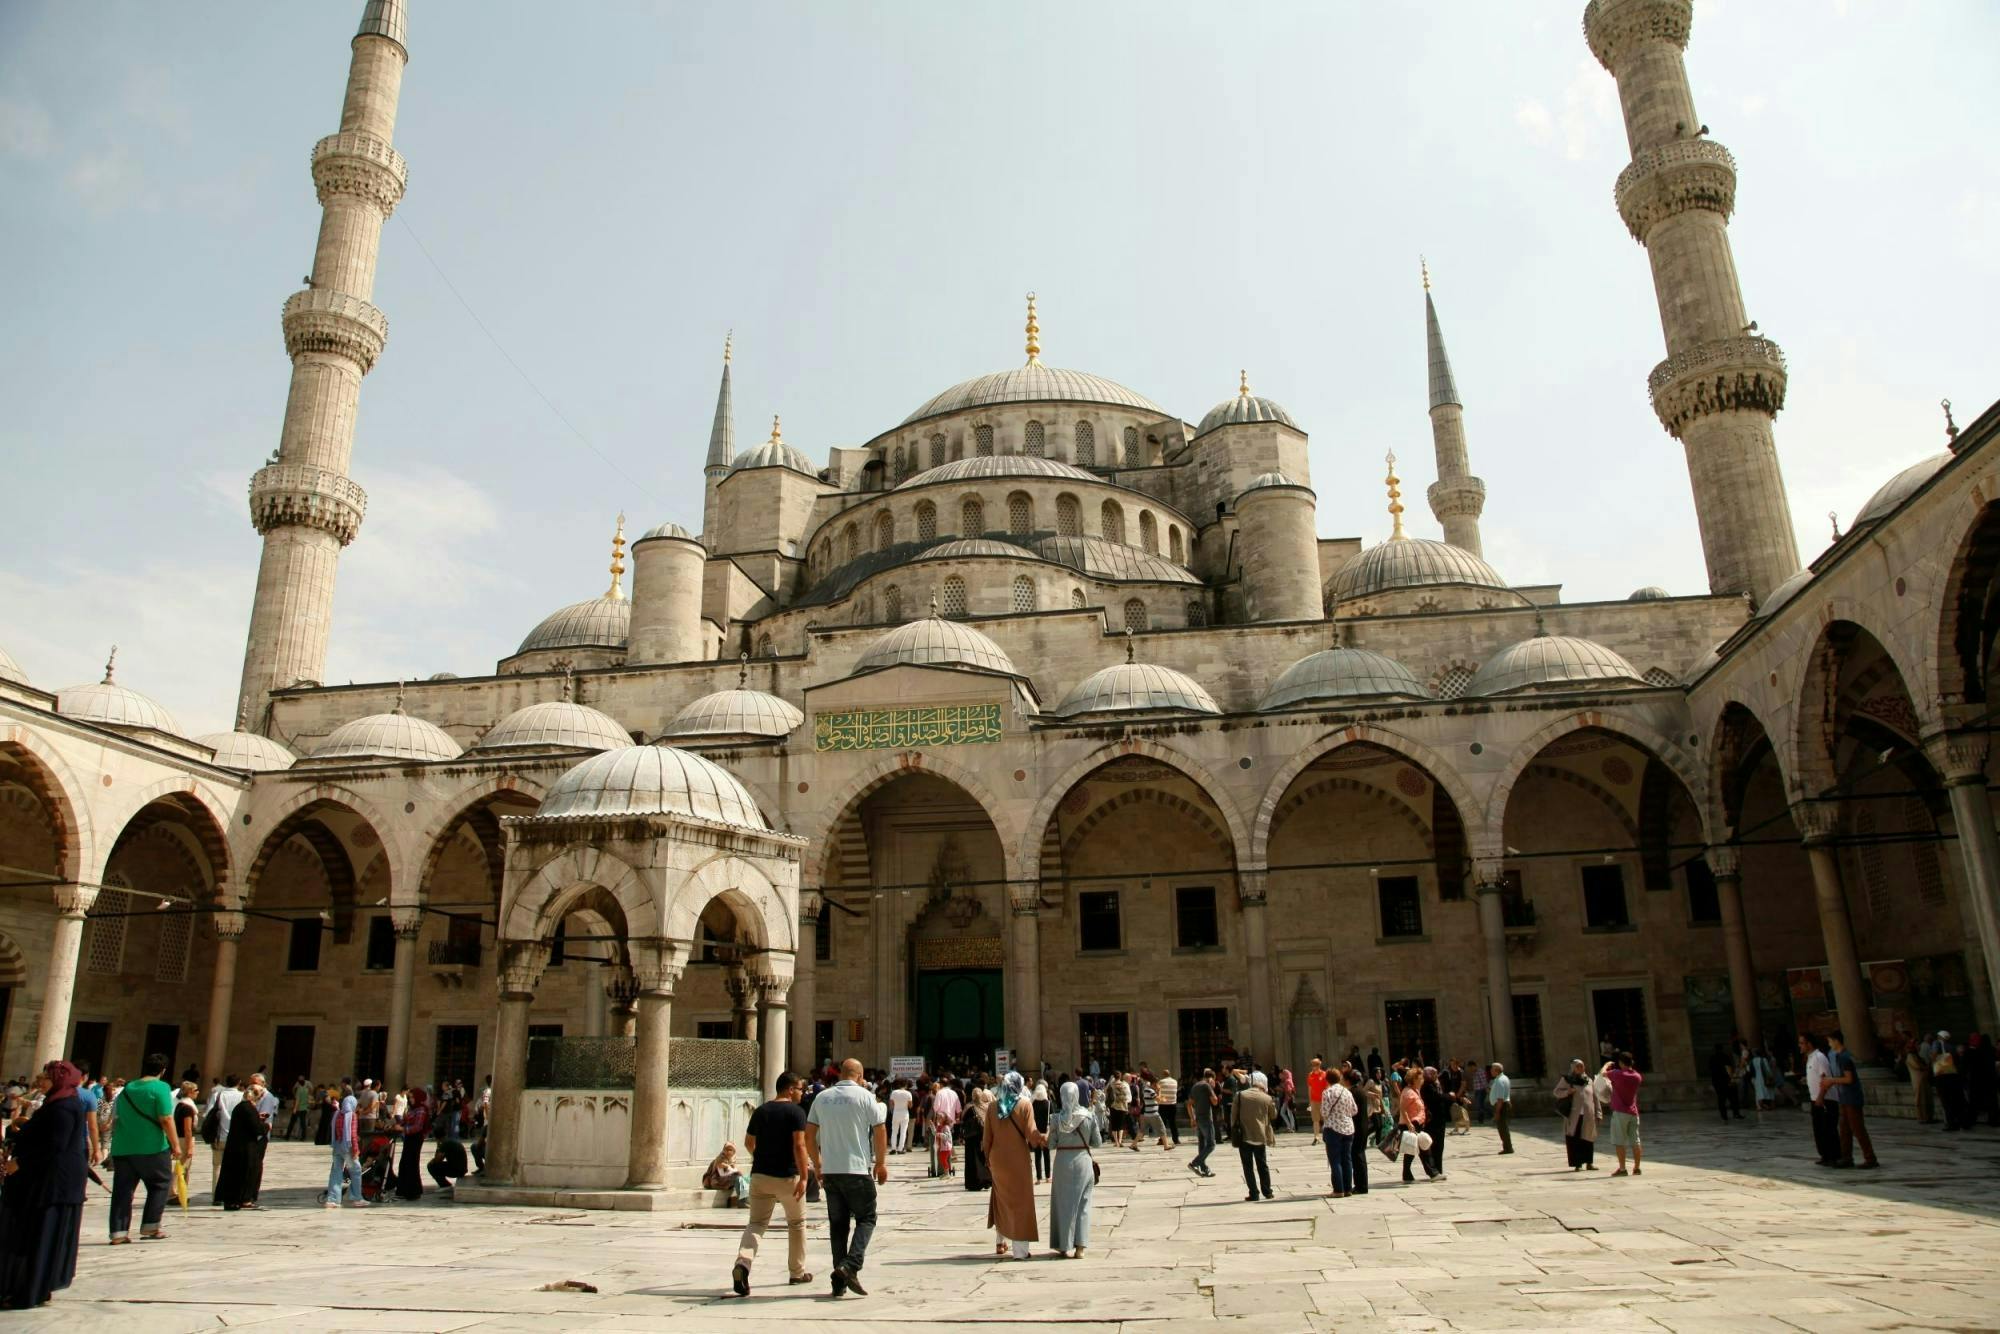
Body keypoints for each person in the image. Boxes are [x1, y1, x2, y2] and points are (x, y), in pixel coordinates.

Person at [0, 1061, 88, 1309]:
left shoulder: (63, 1107)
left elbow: (55, 1146)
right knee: (40, 1236)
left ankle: (29, 1293)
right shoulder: (58, 1103)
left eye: (46, 1078)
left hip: (54, 1184)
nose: (40, 1082)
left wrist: (22, 1162)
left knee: (41, 1237)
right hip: (50, 1181)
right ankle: (35, 1287)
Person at [805, 1059, 888, 1298]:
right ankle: (850, 1266)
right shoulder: (864, 1097)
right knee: (867, 1218)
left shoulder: (823, 1097)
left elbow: (809, 1135)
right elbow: (880, 1128)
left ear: (841, 1074)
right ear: (860, 1076)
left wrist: (818, 1163)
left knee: (838, 1227)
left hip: (831, 1171)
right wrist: (881, 1163)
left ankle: (839, 1282)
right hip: (857, 1170)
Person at [731, 1071, 812, 1296]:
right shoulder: (796, 1112)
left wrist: (762, 1158)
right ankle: (797, 1272)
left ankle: (743, 1263)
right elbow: (799, 1145)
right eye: (800, 1089)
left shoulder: (761, 1111)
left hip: (760, 1177)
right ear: (789, 1089)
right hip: (787, 1177)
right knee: (796, 1223)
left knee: (756, 1223)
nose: (802, 1093)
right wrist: (805, 1177)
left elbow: (749, 1142)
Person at [108, 1052, 185, 1244]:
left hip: (123, 1147)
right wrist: (176, 1145)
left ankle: (118, 1232)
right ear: (163, 1070)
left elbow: (114, 1117)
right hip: (152, 1146)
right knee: (160, 1184)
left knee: (122, 1191)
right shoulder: (160, 1087)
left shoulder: (126, 1089)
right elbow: (166, 1118)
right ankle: (151, 1226)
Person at [983, 1071, 1044, 1259]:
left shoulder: (993, 1107)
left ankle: (1000, 1241)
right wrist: (1045, 1138)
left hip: (997, 1160)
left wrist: (988, 1159)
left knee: (1001, 1199)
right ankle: (1020, 1251)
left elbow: (987, 1139)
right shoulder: (1025, 1105)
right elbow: (1031, 1135)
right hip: (1018, 1160)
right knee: (1021, 1202)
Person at [1046, 1081, 1100, 1259]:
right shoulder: (1089, 1116)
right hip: (1083, 1161)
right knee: (1083, 1204)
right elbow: (1097, 1142)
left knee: (1063, 1205)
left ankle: (1064, 1245)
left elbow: (1051, 1144)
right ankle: (1080, 1247)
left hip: (1062, 1162)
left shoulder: (1056, 1119)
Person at [1821, 1031, 1879, 1169]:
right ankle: (1846, 1157)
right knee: (1845, 1129)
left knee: (1858, 1129)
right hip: (1844, 1097)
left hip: (1852, 1097)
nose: (1829, 1044)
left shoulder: (1844, 1058)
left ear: (1836, 1041)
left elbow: (1849, 1078)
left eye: (1830, 1041)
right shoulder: (1839, 1057)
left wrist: (1831, 1081)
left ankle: (1870, 1158)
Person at [215, 1075, 271, 1210]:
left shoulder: (242, 1107)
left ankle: (236, 1200)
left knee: (237, 1174)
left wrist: (257, 1118)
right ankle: (242, 1200)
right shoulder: (247, 1108)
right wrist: (266, 1126)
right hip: (244, 1148)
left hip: (237, 1146)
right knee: (243, 1174)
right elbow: (256, 1129)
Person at [1231, 1070, 1276, 1201]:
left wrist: (1234, 1129)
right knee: (1262, 1165)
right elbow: (1273, 1115)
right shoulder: (1267, 1098)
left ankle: (1254, 1193)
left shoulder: (1240, 1095)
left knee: (1248, 1166)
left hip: (1244, 1136)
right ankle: (1267, 1192)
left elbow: (1233, 1116)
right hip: (1260, 1136)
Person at [1800, 1034, 1840, 1166]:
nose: (1800, 1046)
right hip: (1815, 1098)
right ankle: (1825, 1155)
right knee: (1820, 1129)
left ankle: (1834, 1156)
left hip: (1825, 1099)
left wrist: (1821, 1097)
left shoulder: (1819, 1057)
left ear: (1809, 1044)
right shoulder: (1810, 1058)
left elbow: (1825, 1078)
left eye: (1802, 1043)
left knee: (1828, 1128)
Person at [202, 1074, 243, 1200]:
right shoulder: (242, 1096)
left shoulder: (218, 1095)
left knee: (217, 1167)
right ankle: (231, 1195)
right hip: (237, 1137)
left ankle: (217, 1195)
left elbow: (208, 1113)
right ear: (239, 1083)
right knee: (235, 1167)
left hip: (219, 1136)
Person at [1604, 1052, 1644, 1177]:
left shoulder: (1617, 1074)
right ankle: (1637, 1168)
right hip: (1633, 1112)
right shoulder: (1637, 1076)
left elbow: (1603, 1074)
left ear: (1621, 1062)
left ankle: (1622, 1168)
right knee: (1635, 1141)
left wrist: (1607, 1065)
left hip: (1620, 1112)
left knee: (1619, 1141)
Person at [1554, 1059, 1599, 1171]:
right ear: (1573, 1068)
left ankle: (1589, 1163)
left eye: (1582, 1066)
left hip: (1588, 1115)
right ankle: (1577, 1164)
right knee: (1575, 1139)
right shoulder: (1567, 1080)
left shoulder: (1588, 1080)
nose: (1580, 1068)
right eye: (1578, 1066)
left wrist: (1598, 1113)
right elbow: (1556, 1092)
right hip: (1574, 1115)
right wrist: (1567, 1092)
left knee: (1588, 1139)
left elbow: (1595, 1098)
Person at [1319, 1069, 1357, 1197]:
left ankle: (1338, 1189)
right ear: (1340, 1078)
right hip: (1348, 1128)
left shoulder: (1327, 1092)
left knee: (1335, 1160)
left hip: (1333, 1128)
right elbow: (1354, 1110)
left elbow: (1324, 1112)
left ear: (1327, 1079)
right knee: (1347, 1159)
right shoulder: (1347, 1091)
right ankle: (1348, 1188)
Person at [326, 1082, 364, 1208]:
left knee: (336, 1172)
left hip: (337, 1147)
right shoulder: (351, 1115)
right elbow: (352, 1135)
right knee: (356, 1170)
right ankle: (356, 1197)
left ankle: (332, 1199)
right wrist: (356, 1150)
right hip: (347, 1148)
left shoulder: (338, 1114)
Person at [1395, 1066, 1433, 1183]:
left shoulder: (1415, 1091)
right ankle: (1433, 1172)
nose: (1422, 1080)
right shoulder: (1408, 1092)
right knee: (1421, 1148)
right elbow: (1403, 1109)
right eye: (1420, 1078)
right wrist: (1409, 1124)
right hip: (1410, 1124)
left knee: (1412, 1150)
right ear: (1414, 1079)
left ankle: (1407, 1174)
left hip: (1416, 1122)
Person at [1186, 1068, 1219, 1178]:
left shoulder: (1195, 1086)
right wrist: (1213, 1089)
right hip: (1206, 1118)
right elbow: (1214, 1102)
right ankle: (1194, 1163)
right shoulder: (1207, 1086)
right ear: (1211, 1078)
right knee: (1211, 1144)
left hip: (1199, 1119)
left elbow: (1189, 1104)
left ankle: (1204, 1169)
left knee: (1202, 1144)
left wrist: (1192, 1118)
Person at [961, 1083, 991, 1192]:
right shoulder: (987, 1107)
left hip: (971, 1137)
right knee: (983, 1158)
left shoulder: (969, 1107)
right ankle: (986, 1180)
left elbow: (962, 1121)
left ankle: (973, 1183)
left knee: (971, 1160)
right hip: (984, 1135)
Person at [1904, 1037, 1934, 1125]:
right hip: (1918, 1081)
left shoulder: (1917, 1056)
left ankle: (1928, 1117)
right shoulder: (1910, 1056)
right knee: (1920, 1099)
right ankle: (1922, 1117)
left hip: (1924, 1079)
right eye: (1917, 1045)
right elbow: (1918, 1066)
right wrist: (1928, 1066)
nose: (1919, 1046)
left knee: (1927, 1098)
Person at [1708, 1043, 1740, 1122]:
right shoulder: (1725, 1057)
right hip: (1726, 1080)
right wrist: (1731, 1079)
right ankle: (1736, 1113)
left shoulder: (1712, 1058)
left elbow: (1711, 1070)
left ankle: (1724, 1116)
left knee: (1721, 1100)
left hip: (1718, 1082)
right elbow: (1729, 1069)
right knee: (1733, 1098)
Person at [1029, 1080, 1052, 1183]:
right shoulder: (1048, 1103)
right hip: (1046, 1132)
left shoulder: (1032, 1104)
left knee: (1037, 1155)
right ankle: (1048, 1176)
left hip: (1036, 1132)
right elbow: (1052, 1118)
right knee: (1047, 1155)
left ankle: (1038, 1178)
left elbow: (1030, 1119)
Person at [1488, 1063, 1513, 1154]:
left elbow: (1500, 1099)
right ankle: (1507, 1147)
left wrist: (1497, 1112)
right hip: (1504, 1104)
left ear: (1497, 1071)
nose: (1490, 1071)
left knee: (1502, 1128)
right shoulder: (1504, 1078)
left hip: (1501, 1105)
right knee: (1503, 1127)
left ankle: (1507, 1148)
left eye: (1492, 1070)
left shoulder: (1499, 1081)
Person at [887, 1080, 913, 1154]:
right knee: (903, 1132)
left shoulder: (894, 1092)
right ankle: (900, 1149)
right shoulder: (908, 1093)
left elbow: (891, 1103)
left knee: (894, 1131)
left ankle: (893, 1148)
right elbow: (910, 1106)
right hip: (904, 1113)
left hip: (896, 1113)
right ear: (905, 1085)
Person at [1157, 1068, 1179, 1146]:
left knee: (1163, 1123)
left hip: (1163, 1105)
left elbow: (1158, 1091)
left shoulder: (1161, 1082)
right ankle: (1176, 1139)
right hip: (1173, 1104)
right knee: (1173, 1122)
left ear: (1163, 1074)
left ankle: (1162, 1140)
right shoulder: (1175, 1081)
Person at [287, 1076, 313, 1141]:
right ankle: (303, 1137)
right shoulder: (307, 1090)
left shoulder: (299, 1090)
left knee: (292, 1122)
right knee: (303, 1123)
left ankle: (287, 1136)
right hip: (304, 1108)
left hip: (298, 1108)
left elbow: (297, 1100)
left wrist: (295, 1109)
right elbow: (310, 1095)